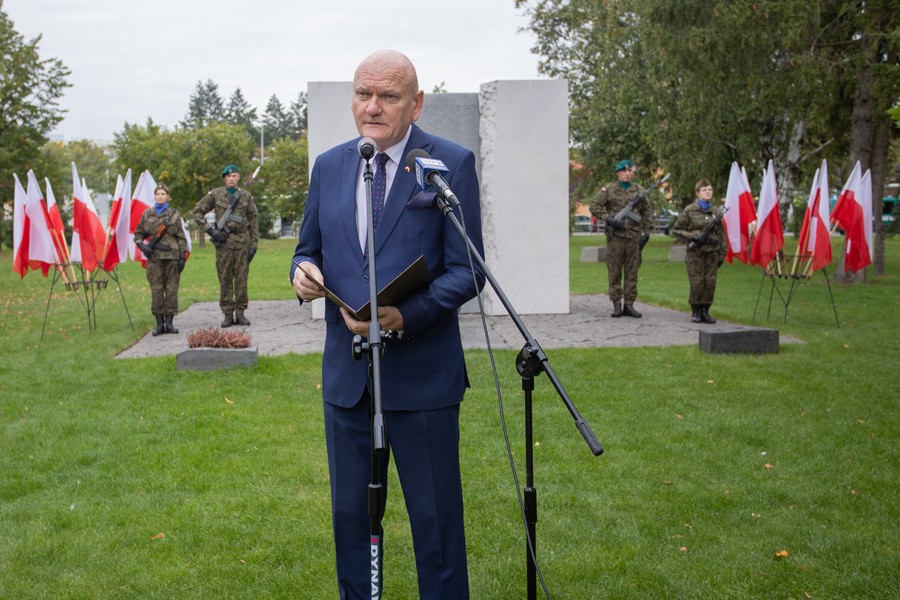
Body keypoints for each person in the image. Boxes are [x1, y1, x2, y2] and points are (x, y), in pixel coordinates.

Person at [290, 49, 484, 599]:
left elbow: (469, 270)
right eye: (363, 94)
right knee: (350, 520)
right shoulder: (329, 166)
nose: (372, 107)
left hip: (423, 378)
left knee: (436, 525)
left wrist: (407, 315)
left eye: (388, 96)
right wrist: (302, 273)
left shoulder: (449, 163)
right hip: (347, 382)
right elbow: (307, 249)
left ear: (416, 104)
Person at [192, 164, 259, 327]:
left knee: (241, 280)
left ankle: (240, 313)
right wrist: (210, 230)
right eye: (228, 176)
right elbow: (197, 212)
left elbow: (253, 220)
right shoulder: (216, 194)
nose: (231, 179)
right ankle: (228, 314)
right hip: (224, 244)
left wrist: (253, 245)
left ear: (239, 177)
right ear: (224, 178)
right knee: (225, 279)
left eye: (234, 176)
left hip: (242, 243)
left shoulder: (245, 196)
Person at [590, 159, 651, 318]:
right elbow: (594, 206)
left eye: (630, 171)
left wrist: (647, 232)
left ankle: (629, 305)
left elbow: (646, 212)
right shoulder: (609, 189)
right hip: (616, 238)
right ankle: (616, 304)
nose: (627, 174)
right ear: (618, 173)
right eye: (624, 171)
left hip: (633, 237)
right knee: (614, 271)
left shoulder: (639, 190)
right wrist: (608, 219)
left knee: (632, 271)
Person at [133, 183, 189, 336]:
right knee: (156, 290)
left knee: (171, 289)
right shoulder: (147, 214)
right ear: (154, 196)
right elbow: (138, 233)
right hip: (154, 257)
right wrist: (142, 246)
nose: (160, 197)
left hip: (172, 257)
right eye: (158, 194)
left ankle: (169, 323)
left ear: (168, 197)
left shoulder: (174, 215)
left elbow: (181, 237)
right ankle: (159, 324)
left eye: (163, 194)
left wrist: (182, 256)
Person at [671, 178, 728, 323]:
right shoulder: (690, 210)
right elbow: (677, 229)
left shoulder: (716, 212)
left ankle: (705, 311)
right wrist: (693, 237)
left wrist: (722, 253)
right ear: (697, 193)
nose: (708, 192)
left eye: (710, 189)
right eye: (704, 190)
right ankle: (696, 310)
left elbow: (721, 234)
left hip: (712, 252)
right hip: (695, 253)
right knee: (697, 282)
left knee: (710, 282)